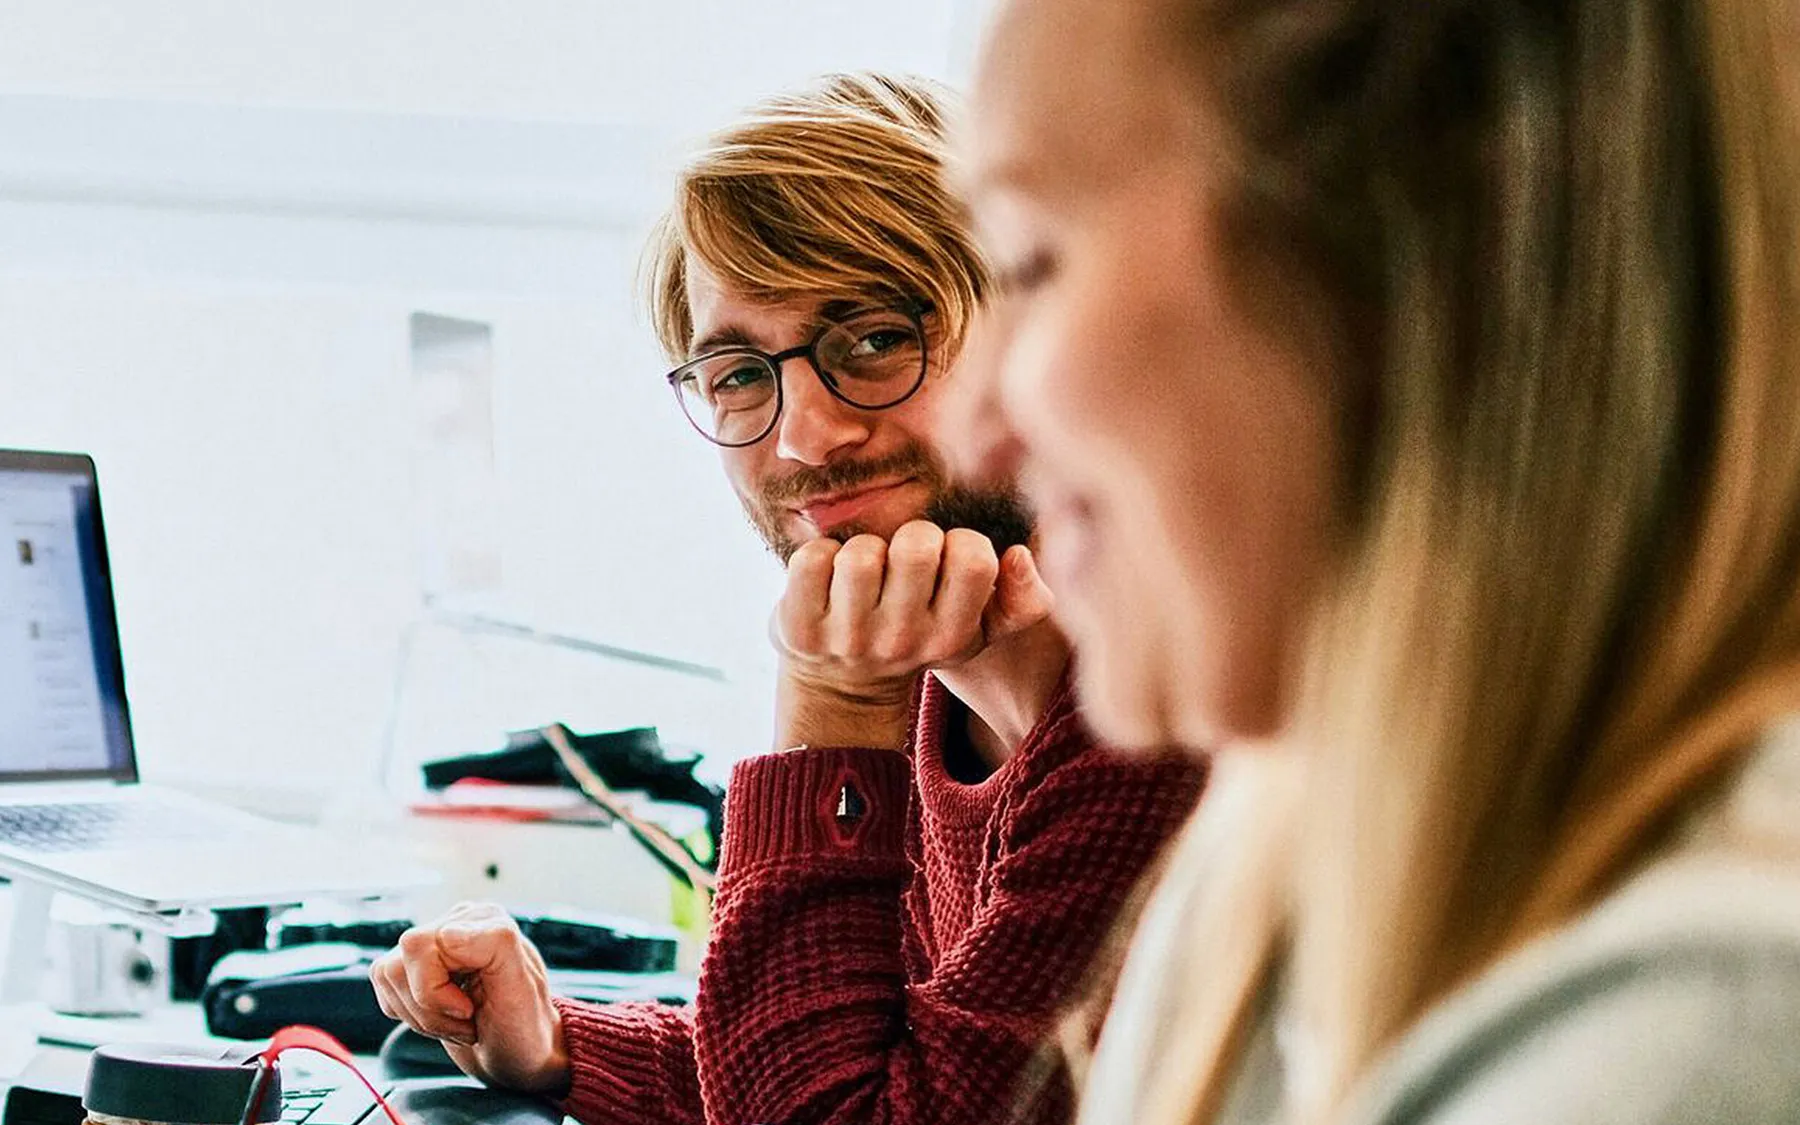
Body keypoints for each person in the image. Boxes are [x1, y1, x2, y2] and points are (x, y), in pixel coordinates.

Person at [946, 0, 1800, 1123]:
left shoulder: (1704, 1031)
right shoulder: (1267, 868)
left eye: (1034, 261)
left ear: (1415, 261)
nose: (972, 429)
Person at [370, 72, 1205, 1125]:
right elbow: (840, 1058)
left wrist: (829, 717)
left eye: (872, 340)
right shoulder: (941, 695)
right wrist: (564, 1045)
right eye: (736, 374)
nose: (805, 437)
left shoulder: (1151, 724)